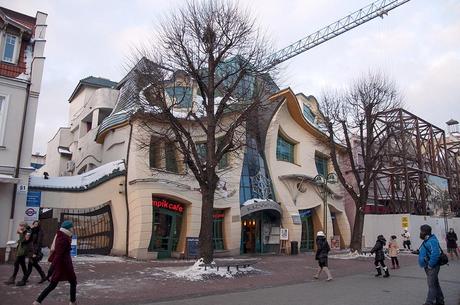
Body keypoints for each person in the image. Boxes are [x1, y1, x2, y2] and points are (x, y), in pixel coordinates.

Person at [33, 220, 77, 305]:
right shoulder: (63, 238)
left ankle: (38, 301)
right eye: (72, 227)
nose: (73, 228)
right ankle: (37, 301)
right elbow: (58, 255)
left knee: (70, 282)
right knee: (54, 284)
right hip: (63, 265)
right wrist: (50, 271)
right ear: (68, 228)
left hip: (63, 264)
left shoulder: (64, 236)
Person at [418, 224, 444, 305]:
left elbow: (435, 254)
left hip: (432, 267)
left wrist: (430, 265)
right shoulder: (427, 240)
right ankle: (440, 301)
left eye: (421, 231)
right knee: (435, 284)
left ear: (426, 232)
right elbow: (427, 250)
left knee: (431, 285)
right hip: (428, 266)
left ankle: (429, 303)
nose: (420, 233)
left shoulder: (432, 240)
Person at [16, 220, 47, 286]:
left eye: (37, 224)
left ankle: (23, 281)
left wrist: (35, 253)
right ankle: (43, 276)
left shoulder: (40, 232)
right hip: (31, 250)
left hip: (35, 250)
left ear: (39, 225)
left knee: (30, 266)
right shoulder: (31, 230)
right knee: (35, 265)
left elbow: (38, 243)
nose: (35, 225)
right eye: (34, 224)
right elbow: (27, 238)